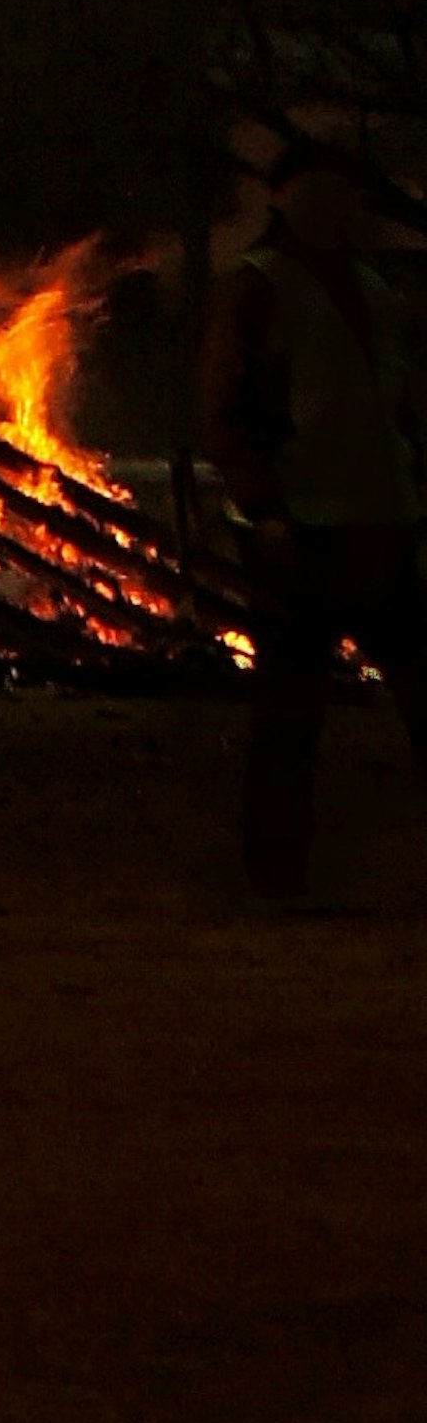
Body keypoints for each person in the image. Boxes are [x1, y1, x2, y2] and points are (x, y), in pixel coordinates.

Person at [204, 132, 427, 900]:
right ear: (283, 201)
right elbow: (225, 410)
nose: (330, 208)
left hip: (385, 526)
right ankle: (276, 879)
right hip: (300, 534)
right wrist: (263, 507)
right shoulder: (257, 286)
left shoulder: (377, 293)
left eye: (342, 194)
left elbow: (399, 412)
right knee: (290, 715)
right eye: (313, 193)